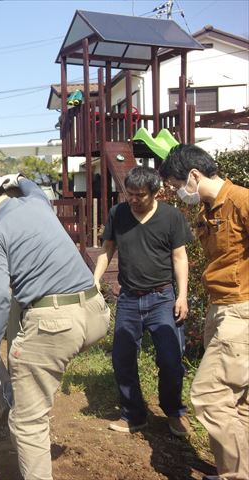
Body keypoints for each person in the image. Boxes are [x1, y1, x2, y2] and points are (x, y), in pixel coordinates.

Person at [0, 169, 110, 480]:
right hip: (96, 312)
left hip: (56, 325)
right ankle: (30, 378)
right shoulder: (37, 202)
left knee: (27, 423)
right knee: (22, 312)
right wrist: (14, 177)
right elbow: (28, 184)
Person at [159, 144, 248, 480]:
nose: (178, 193)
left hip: (241, 311)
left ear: (193, 176)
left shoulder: (241, 200)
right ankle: (235, 470)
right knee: (237, 406)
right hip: (220, 308)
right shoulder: (207, 213)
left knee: (209, 397)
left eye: (177, 185)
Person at [93, 166, 192, 436]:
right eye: (130, 194)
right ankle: (133, 415)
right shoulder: (119, 214)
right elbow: (107, 249)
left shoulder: (171, 217)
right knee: (122, 358)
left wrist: (182, 295)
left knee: (171, 360)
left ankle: (174, 412)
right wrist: (95, 279)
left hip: (162, 298)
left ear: (155, 192)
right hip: (128, 298)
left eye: (140, 195)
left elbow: (179, 257)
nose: (134, 200)